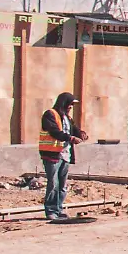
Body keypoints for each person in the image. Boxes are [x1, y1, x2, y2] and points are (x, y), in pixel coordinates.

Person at [39, 92, 88, 223]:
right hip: (52, 154)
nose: (70, 107)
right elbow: (54, 131)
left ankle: (58, 209)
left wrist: (81, 133)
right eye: (69, 104)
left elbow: (73, 129)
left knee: (62, 184)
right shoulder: (50, 115)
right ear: (63, 103)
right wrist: (70, 138)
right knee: (53, 183)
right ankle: (51, 210)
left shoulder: (67, 118)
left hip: (65, 154)